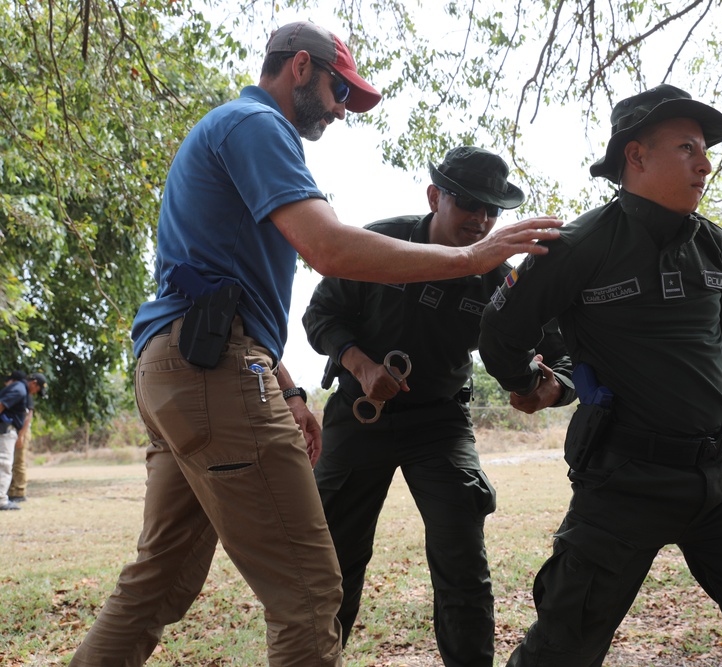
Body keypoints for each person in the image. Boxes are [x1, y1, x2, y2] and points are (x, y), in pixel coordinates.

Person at [70, 21, 560, 667]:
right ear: (300, 66)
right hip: (217, 371)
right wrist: (469, 257)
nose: (339, 111)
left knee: (159, 582)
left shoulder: (233, 132)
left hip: (186, 365)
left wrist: (285, 386)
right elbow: (328, 251)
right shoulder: (255, 125)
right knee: (311, 589)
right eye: (338, 92)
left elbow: (220, 290)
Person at [478, 83, 722, 667]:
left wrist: (704, 377)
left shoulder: (714, 244)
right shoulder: (579, 244)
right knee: (563, 645)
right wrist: (530, 384)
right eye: (688, 148)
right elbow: (502, 329)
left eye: (704, 150)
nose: (705, 164)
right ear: (635, 156)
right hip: (625, 480)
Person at [302, 145, 576, 666]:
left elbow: (561, 348)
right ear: (434, 197)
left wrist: (552, 387)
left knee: (462, 561)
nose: (481, 220)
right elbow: (320, 316)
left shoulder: (499, 277)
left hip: (441, 423)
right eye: (469, 204)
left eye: (492, 211)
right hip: (362, 417)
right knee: (333, 563)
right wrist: (362, 367)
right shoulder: (376, 241)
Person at [1, 371, 46, 511]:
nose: (35, 393)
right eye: (37, 389)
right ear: (34, 383)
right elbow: (1, 405)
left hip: (8, 430)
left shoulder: (19, 389)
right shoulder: (20, 390)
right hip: (6, 430)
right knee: (4, 465)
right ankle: (1, 500)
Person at [7, 370, 35, 503]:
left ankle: (19, 492)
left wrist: (21, 435)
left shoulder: (23, 392)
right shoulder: (18, 391)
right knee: (11, 462)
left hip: (21, 431)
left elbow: (28, 416)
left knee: (18, 462)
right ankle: (11, 491)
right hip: (15, 431)